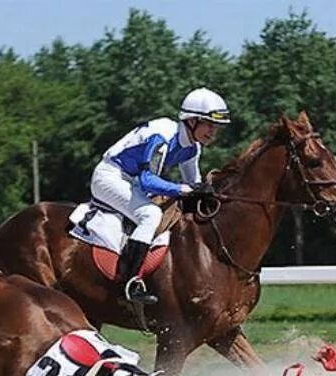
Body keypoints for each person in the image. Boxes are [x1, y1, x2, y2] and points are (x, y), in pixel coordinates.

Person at [90, 87, 231, 305]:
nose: (213, 132)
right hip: (110, 177)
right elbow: (149, 180)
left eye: (217, 127)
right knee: (150, 214)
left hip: (133, 182)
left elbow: (194, 184)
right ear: (192, 121)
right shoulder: (163, 135)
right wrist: (183, 189)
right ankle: (129, 282)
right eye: (209, 125)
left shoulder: (193, 147)